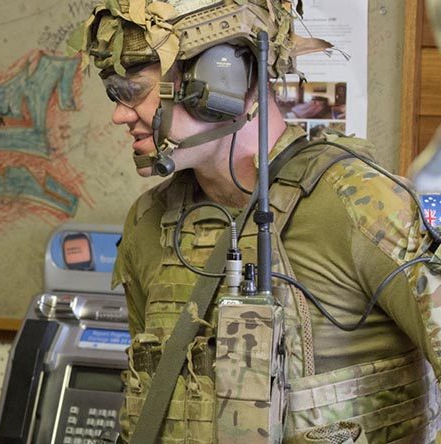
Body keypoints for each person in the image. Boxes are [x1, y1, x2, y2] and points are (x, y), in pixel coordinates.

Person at [68, 0, 441, 442]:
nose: (119, 114)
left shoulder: (357, 203)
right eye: (116, 94)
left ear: (218, 79)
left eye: (133, 91)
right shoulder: (150, 223)